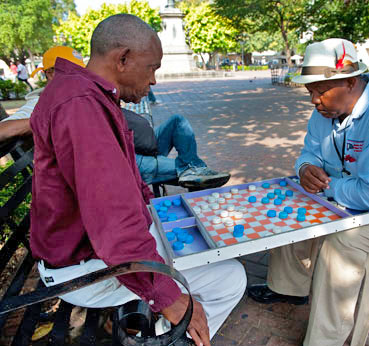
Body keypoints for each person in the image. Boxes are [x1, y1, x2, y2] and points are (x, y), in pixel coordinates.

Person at [29, 14, 246, 346]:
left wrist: (156, 211)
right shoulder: (81, 105)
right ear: (123, 59)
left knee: (205, 241)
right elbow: (114, 224)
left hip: (87, 248)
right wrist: (169, 297)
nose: (154, 81)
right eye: (151, 68)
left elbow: (122, 190)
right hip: (82, 267)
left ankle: (163, 334)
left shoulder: (87, 94)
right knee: (229, 278)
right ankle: (170, 338)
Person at [247, 38, 369, 346]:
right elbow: (309, 153)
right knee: (292, 199)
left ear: (351, 82)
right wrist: (305, 170)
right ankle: (289, 288)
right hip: (352, 194)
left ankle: (325, 338)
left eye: (320, 90)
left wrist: (327, 187)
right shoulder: (326, 111)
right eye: (309, 92)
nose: (314, 100)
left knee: (342, 243)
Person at [0, 46, 230, 190]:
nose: (79, 76)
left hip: (135, 146)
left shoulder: (82, 91)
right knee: (200, 175)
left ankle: (193, 169)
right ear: (50, 73)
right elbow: (4, 130)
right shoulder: (43, 103)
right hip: (125, 163)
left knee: (179, 123)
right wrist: (62, 116)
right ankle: (194, 177)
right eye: (71, 71)